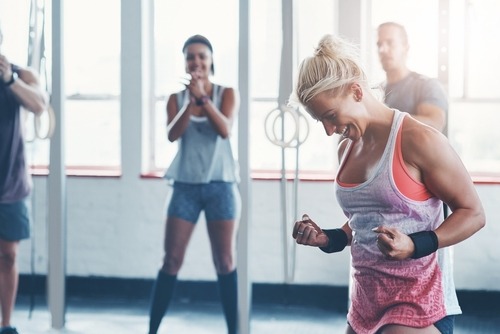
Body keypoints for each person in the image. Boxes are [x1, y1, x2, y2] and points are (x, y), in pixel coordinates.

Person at [290, 34, 485, 334]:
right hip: (365, 303)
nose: (330, 131)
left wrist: (415, 244)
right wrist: (327, 239)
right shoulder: (347, 149)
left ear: (356, 91)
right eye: (321, 122)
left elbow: (473, 213)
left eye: (330, 116)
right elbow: (363, 224)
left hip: (418, 302)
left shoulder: (418, 139)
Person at [148, 35, 240, 334]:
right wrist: (191, 101)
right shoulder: (176, 99)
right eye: (190, 57)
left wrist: (204, 99)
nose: (196, 62)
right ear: (185, 62)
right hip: (185, 186)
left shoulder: (227, 93)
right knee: (171, 259)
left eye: (202, 56)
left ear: (211, 60)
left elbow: (224, 130)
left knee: (224, 261)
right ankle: (152, 329)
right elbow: (172, 135)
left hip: (221, 185)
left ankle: (234, 330)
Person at [0, 25, 48, 334]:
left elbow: (40, 105)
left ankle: (6, 325)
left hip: (10, 186)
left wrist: (8, 80)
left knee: (7, 255)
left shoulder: (21, 75)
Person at [377, 21, 447, 132]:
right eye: (379, 45)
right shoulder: (376, 91)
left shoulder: (426, 86)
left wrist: (382, 119)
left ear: (406, 47)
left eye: (390, 43)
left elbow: (434, 125)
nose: (382, 50)